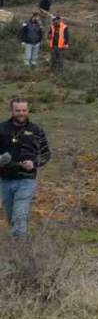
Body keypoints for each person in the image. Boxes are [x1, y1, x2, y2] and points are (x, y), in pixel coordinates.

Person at [1, 98, 52, 238]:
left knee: (20, 215)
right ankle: (14, 248)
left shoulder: (36, 130)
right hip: (5, 179)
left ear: (28, 111)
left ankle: (20, 248)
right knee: (11, 216)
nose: (21, 113)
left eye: (24, 110)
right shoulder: (2, 128)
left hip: (26, 180)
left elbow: (46, 154)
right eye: (18, 110)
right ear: (12, 111)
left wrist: (34, 163)